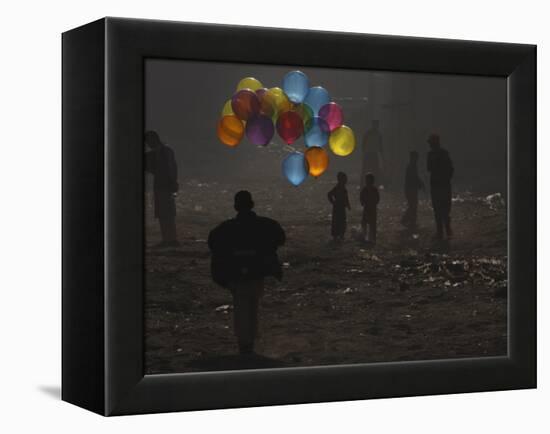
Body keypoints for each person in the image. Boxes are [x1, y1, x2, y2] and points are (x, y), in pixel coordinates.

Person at [208, 191, 286, 355]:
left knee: (242, 306)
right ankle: (249, 342)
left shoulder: (225, 229)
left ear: (236, 207)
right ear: (252, 205)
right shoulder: (267, 225)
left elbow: (213, 244)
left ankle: (245, 344)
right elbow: (280, 239)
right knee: (252, 305)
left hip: (236, 274)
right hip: (257, 272)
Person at [145, 130, 179, 247]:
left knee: (166, 214)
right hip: (162, 185)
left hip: (165, 185)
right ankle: (168, 239)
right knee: (164, 214)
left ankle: (170, 239)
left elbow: (170, 168)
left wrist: (173, 182)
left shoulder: (164, 152)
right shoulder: (162, 152)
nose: (148, 145)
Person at [426, 134, 454, 240]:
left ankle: (441, 231)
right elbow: (451, 169)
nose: (429, 145)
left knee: (438, 208)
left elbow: (429, 168)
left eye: (430, 143)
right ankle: (446, 230)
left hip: (438, 184)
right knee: (444, 208)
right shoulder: (444, 153)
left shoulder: (432, 154)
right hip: (443, 184)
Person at [401, 151, 425, 230]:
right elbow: (414, 178)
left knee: (413, 205)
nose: (417, 159)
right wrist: (420, 184)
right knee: (413, 205)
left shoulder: (411, 166)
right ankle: (407, 220)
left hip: (410, 189)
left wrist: (420, 184)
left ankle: (410, 221)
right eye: (416, 158)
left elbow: (414, 178)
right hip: (410, 190)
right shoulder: (412, 166)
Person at [327, 172, 351, 241]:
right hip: (337, 206)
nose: (346, 181)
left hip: (341, 206)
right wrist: (333, 202)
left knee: (342, 221)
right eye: (344, 179)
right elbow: (329, 194)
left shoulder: (343, 189)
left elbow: (346, 198)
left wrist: (348, 205)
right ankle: (336, 235)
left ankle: (341, 234)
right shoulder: (337, 188)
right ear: (340, 180)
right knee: (337, 221)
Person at [361, 120, 383, 187]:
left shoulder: (373, 134)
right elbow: (380, 146)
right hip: (370, 153)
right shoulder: (374, 134)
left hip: (371, 153)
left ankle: (374, 183)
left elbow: (380, 146)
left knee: (371, 169)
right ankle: (366, 183)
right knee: (371, 169)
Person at [360, 173, 380, 244]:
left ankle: (372, 238)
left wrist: (374, 202)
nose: (368, 182)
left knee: (372, 224)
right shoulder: (365, 189)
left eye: (369, 180)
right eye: (367, 180)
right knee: (364, 223)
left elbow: (377, 198)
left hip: (372, 208)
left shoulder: (374, 189)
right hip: (367, 208)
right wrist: (362, 202)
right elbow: (361, 197)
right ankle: (364, 235)